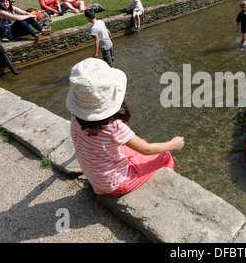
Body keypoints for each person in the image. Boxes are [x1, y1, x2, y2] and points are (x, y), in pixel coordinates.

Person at [66, 58, 184, 197]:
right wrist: (172, 144)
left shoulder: (75, 118)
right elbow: (147, 150)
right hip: (116, 184)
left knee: (135, 145)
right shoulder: (114, 127)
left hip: (95, 178)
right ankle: (168, 187)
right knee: (165, 154)